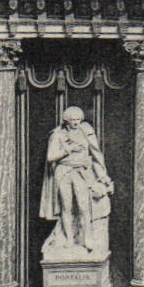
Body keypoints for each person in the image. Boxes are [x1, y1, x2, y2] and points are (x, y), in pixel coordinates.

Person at [39, 105, 112, 255]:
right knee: (67, 207)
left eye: (78, 119)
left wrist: (102, 175)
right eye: (72, 120)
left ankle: (87, 237)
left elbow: (95, 154)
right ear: (66, 120)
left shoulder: (85, 132)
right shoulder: (58, 135)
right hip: (64, 172)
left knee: (83, 205)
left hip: (81, 172)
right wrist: (68, 150)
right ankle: (69, 238)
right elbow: (50, 157)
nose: (76, 122)